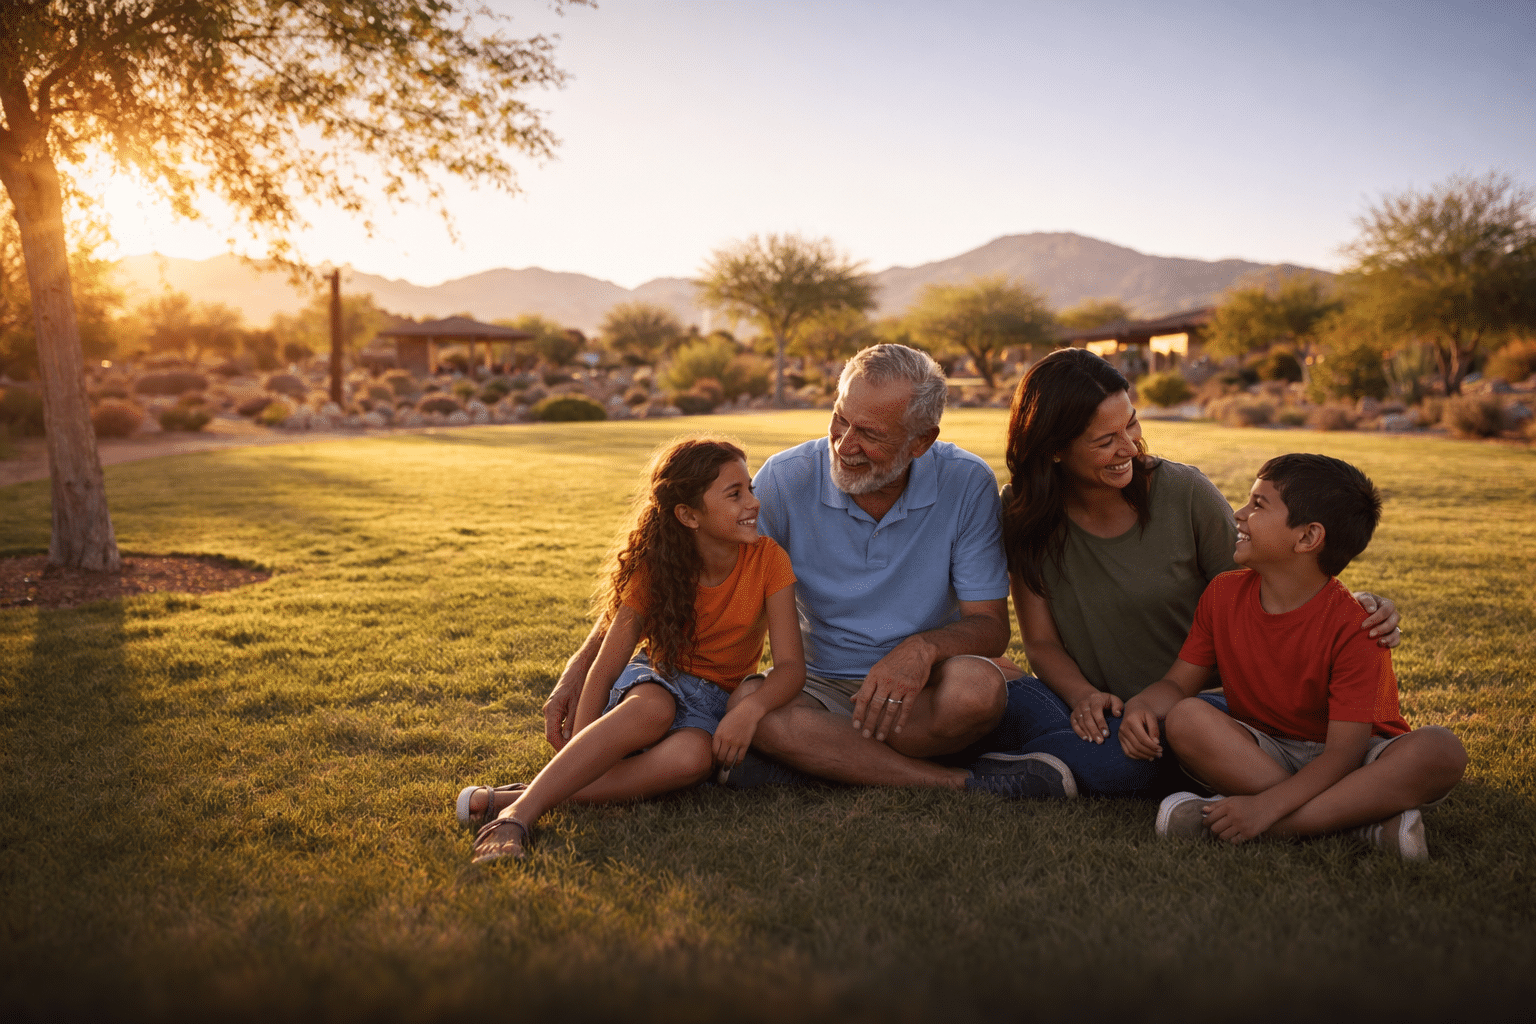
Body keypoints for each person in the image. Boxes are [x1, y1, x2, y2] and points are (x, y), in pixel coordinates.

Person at [543, 344, 1073, 798]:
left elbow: (990, 627)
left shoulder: (967, 482)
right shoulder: (786, 478)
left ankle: (825, 760)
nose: (844, 445)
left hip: (920, 691)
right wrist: (579, 667)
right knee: (752, 706)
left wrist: (920, 650)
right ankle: (952, 782)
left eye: (870, 434)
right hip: (817, 688)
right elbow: (668, 570)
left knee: (978, 691)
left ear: (921, 443)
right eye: (840, 419)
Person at [982, 348, 1401, 796]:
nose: (1128, 447)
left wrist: (1358, 606)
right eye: (1105, 440)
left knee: (1126, 765)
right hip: (1096, 704)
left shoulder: (1183, 493)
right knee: (1013, 705)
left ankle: (1025, 760)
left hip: (1198, 704)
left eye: (1131, 423)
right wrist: (1083, 695)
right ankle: (1033, 754)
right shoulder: (1023, 512)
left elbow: (1273, 588)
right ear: (1055, 450)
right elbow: (1041, 642)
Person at [464, 436, 805, 862]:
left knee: (694, 759)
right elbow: (605, 669)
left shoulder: (769, 560)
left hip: (715, 707)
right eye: (734, 494)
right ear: (688, 515)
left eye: (750, 489)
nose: (752, 503)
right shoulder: (656, 566)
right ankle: (515, 814)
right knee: (653, 708)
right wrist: (581, 751)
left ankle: (505, 796)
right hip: (654, 683)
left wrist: (749, 711)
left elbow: (791, 667)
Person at [1122, 454, 1466, 858]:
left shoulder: (1357, 626)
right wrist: (1142, 704)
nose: (1239, 514)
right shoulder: (1222, 595)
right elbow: (1179, 685)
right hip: (1268, 747)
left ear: (1306, 538)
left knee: (1442, 750)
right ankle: (1359, 822)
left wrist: (1266, 806)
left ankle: (1277, 824)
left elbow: (1343, 754)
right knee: (1185, 718)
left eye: (1258, 505)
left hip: (1360, 757)